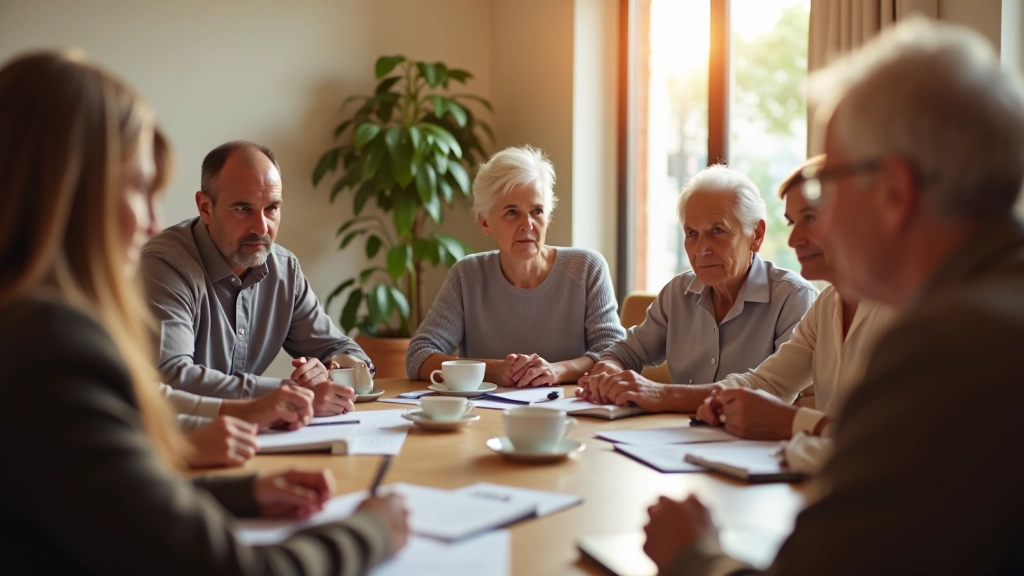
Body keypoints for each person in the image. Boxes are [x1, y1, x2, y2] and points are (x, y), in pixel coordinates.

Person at [0, 50, 408, 574]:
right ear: (65, 192)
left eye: (272, 208)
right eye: (137, 189)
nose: (151, 221)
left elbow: (102, 493)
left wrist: (246, 493)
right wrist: (372, 528)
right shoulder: (51, 343)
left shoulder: (26, 326)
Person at [644, 19, 1024, 575]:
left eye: (831, 188)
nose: (812, 230)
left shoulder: (946, 348)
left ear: (895, 192)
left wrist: (692, 555)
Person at [142, 140, 370, 416]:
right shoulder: (165, 266)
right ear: (205, 208)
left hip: (252, 437)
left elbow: (343, 349)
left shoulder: (284, 269)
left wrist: (330, 372)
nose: (262, 227)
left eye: (271, 208)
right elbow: (170, 378)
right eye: (243, 209)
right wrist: (290, 394)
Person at [578, 165, 817, 410]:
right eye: (692, 233)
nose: (701, 249)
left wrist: (659, 393)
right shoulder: (677, 293)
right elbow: (627, 352)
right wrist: (608, 368)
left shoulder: (794, 298)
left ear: (756, 234)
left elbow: (770, 390)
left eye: (717, 231)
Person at [405, 145, 626, 387]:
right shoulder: (467, 275)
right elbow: (419, 355)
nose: (528, 225)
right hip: (484, 418)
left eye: (537, 211)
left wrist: (555, 371)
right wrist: (493, 369)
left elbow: (614, 354)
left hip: (568, 417)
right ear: (485, 222)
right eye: (512, 212)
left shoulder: (587, 268)